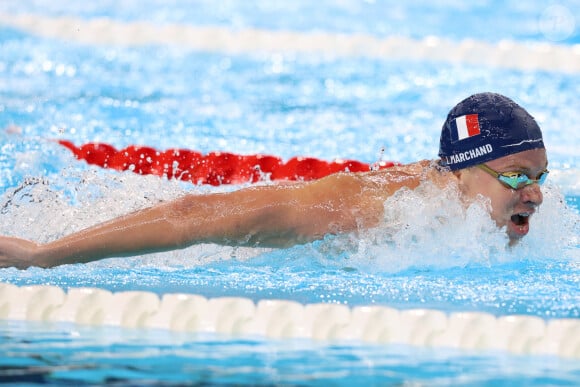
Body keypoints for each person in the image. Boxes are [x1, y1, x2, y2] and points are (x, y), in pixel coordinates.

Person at [0, 92, 548, 269]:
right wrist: (42, 255)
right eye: (517, 176)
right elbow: (197, 216)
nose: (537, 194)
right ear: (459, 173)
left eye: (540, 176)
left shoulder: (485, 213)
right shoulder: (377, 210)